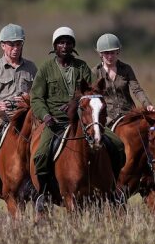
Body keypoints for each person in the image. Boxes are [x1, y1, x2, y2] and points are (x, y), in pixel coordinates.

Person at [30, 27, 126, 202]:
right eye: (61, 42)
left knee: (118, 145)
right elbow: (36, 98)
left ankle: (114, 188)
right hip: (55, 122)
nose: (64, 46)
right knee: (41, 154)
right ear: (55, 46)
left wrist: (77, 104)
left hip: (84, 120)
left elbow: (94, 91)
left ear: (73, 45)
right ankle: (43, 194)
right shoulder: (45, 68)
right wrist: (45, 116)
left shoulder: (81, 67)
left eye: (68, 42)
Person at [0, 24, 37, 206]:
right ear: (2, 45)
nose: (15, 48)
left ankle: (45, 184)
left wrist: (29, 99)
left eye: (18, 44)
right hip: (3, 116)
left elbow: (37, 92)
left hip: (27, 116)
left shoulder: (31, 67)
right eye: (11, 44)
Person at [93, 33, 155, 125]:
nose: (110, 56)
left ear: (118, 52)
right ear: (101, 54)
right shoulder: (95, 72)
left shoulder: (126, 69)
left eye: (112, 52)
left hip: (129, 114)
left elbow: (137, 90)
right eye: (106, 53)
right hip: (107, 117)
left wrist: (147, 105)